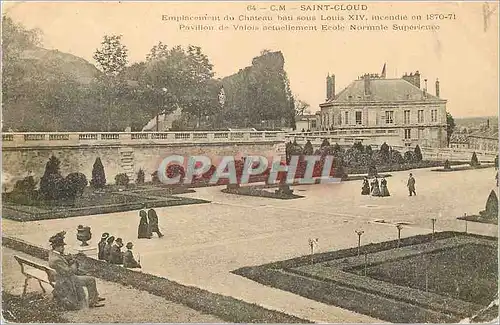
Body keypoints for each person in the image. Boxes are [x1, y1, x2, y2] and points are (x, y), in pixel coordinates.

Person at [48, 231, 105, 309]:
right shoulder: (56, 259)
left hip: (62, 277)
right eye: (62, 246)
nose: (63, 248)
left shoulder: (53, 254)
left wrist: (70, 258)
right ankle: (92, 302)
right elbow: (69, 271)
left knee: (87, 275)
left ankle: (95, 296)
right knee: (91, 279)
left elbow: (62, 261)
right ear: (57, 247)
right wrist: (74, 263)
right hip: (67, 280)